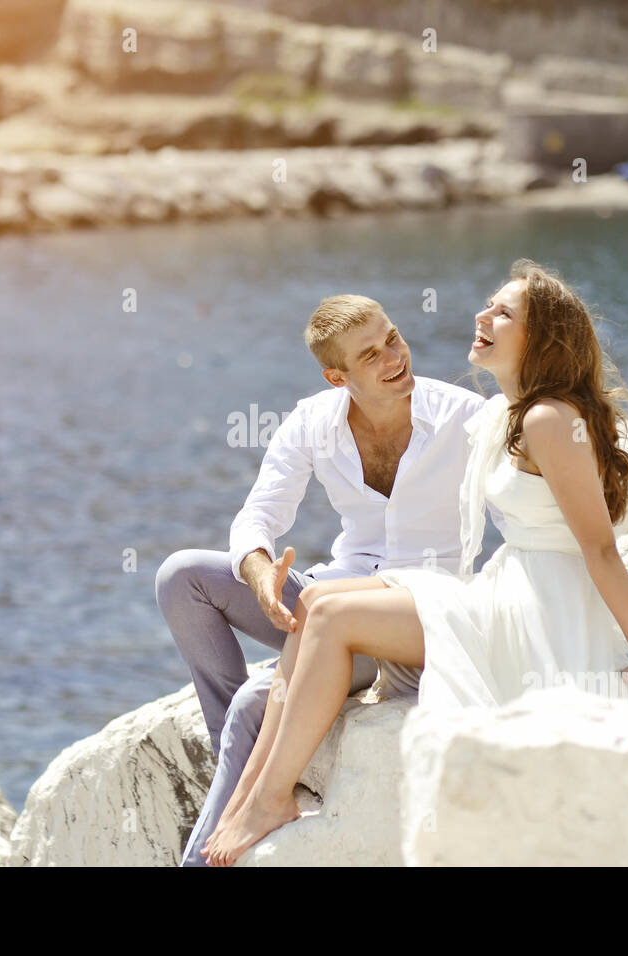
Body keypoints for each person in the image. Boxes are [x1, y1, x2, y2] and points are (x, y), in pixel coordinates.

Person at [202, 259, 628, 866]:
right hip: (507, 587)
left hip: (537, 614)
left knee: (331, 617)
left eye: (504, 312)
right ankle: (253, 799)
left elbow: (600, 548)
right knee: (317, 599)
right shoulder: (510, 413)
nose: (482, 315)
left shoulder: (547, 419)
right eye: (490, 303)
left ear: (540, 340)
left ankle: (265, 799)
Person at [154, 294, 485, 866]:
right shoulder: (314, 420)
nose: (394, 357)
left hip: (403, 616)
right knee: (180, 576)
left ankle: (223, 816)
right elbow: (257, 516)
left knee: (257, 702)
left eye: (393, 338)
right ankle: (244, 760)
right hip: (329, 595)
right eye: (370, 354)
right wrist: (261, 578)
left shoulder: (462, 415)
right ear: (338, 376)